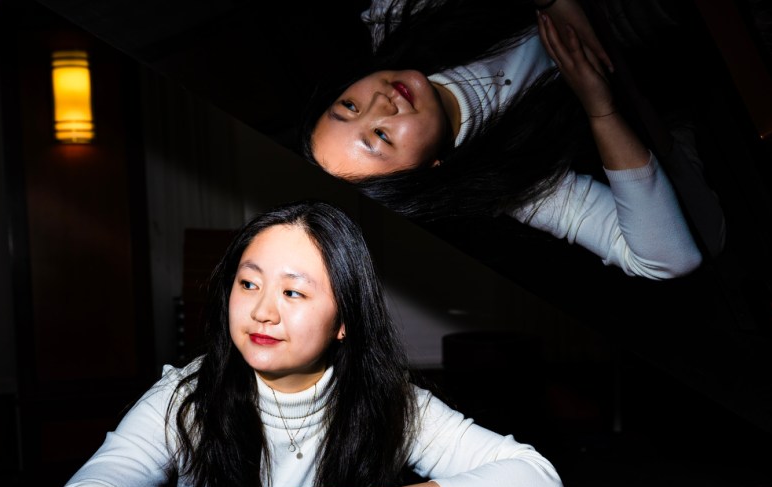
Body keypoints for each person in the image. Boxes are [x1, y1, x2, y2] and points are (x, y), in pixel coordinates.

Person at [42, 201, 564, 487]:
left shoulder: (390, 401)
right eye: (248, 284)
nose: (262, 311)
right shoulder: (186, 398)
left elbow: (537, 484)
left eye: (293, 293)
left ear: (343, 321)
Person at [303, 0, 707, 280]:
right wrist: (601, 111)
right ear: (425, 174)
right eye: (380, 136)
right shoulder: (510, 186)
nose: (379, 101)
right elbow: (668, 259)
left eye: (350, 106)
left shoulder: (395, 19)